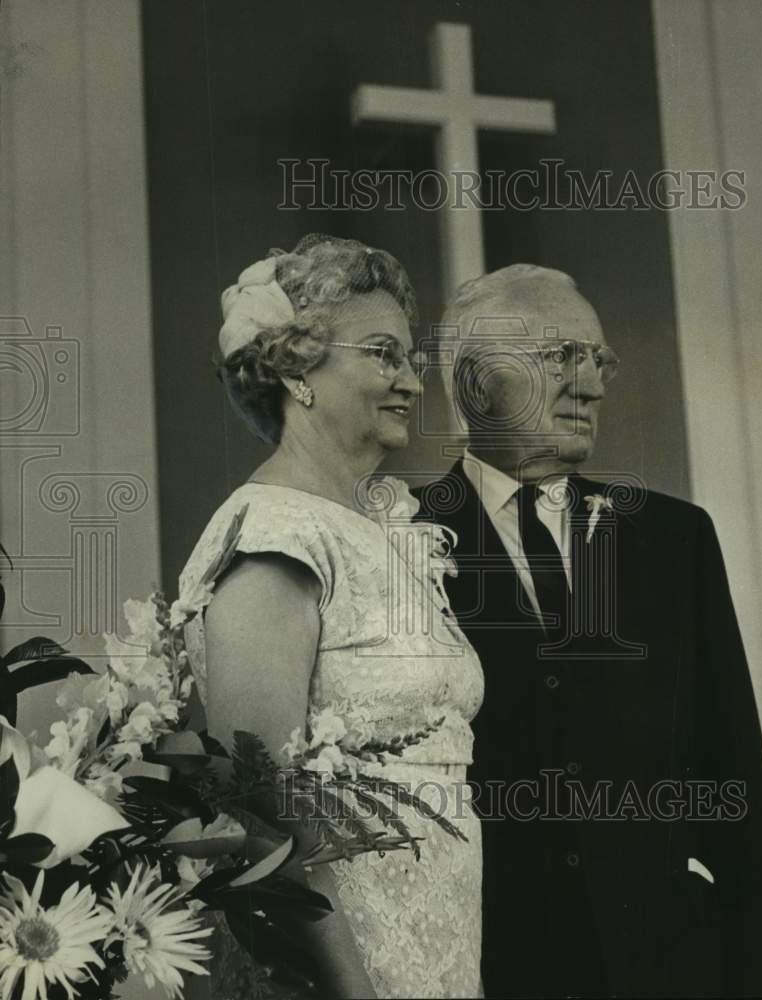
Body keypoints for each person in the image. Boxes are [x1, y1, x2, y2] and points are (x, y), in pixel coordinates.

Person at [415, 264, 762, 997]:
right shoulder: (396, 540)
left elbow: (738, 788)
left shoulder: (675, 537)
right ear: (473, 385)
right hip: (492, 974)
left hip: (667, 974)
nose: (591, 384)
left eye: (599, 360)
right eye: (561, 355)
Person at [176, 234, 483, 999]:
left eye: (411, 358)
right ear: (294, 370)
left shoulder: (382, 529)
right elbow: (261, 807)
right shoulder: (276, 534)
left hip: (438, 933)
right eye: (382, 353)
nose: (411, 381)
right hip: (345, 961)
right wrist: (358, 989)